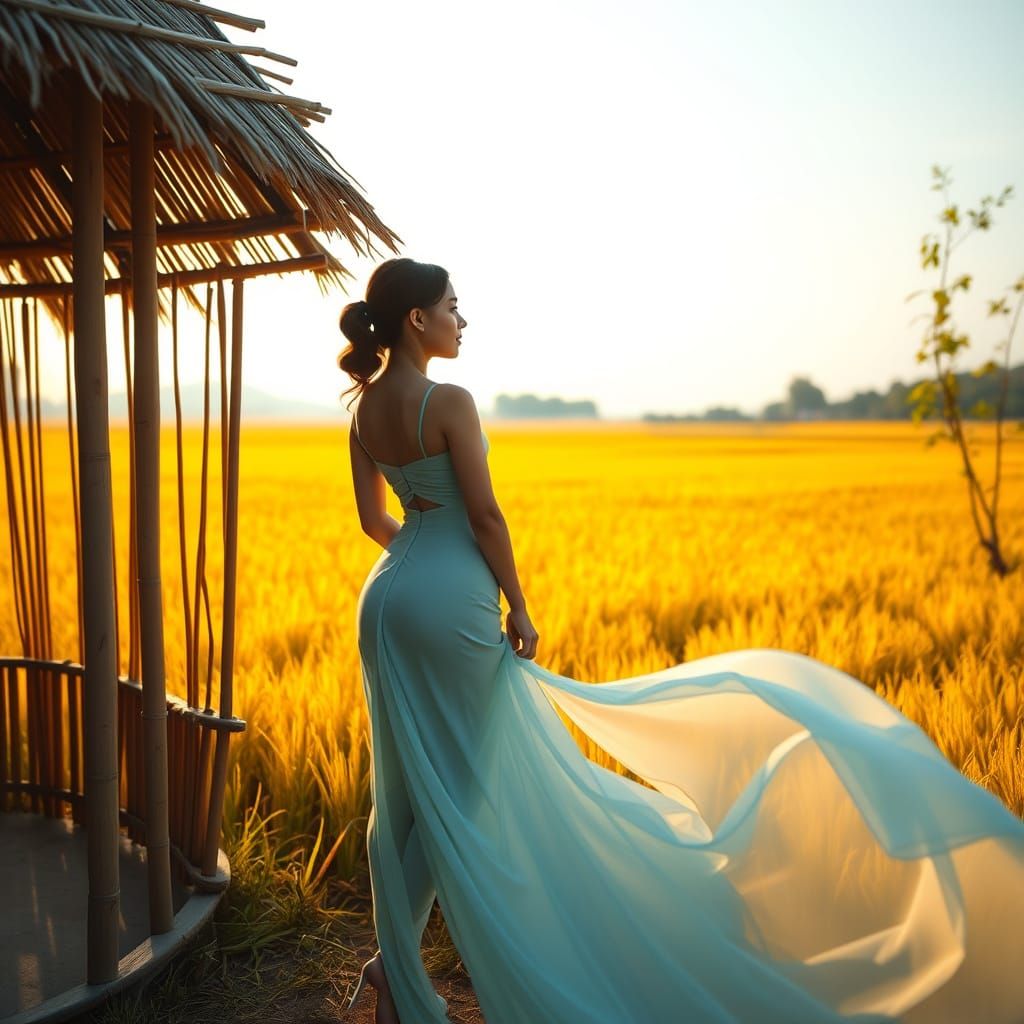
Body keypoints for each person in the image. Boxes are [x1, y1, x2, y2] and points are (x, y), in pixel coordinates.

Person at [338, 257, 1024, 1024]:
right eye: (454, 308)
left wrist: (421, 554)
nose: (465, 321)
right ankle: (392, 972)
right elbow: (488, 518)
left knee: (399, 789)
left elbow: (375, 522)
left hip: (386, 597)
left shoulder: (363, 410)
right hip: (451, 602)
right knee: (459, 785)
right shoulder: (448, 399)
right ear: (416, 322)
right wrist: (517, 608)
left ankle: (390, 967)